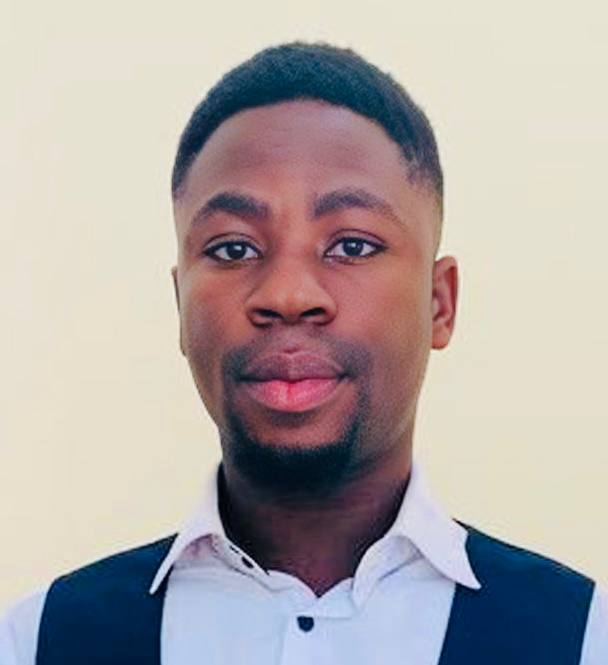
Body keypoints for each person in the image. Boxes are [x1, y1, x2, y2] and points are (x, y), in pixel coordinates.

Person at [1, 42, 606, 665]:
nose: (288, 296)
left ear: (439, 303)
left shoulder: (582, 639)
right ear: (181, 305)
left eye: (352, 246)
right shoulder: (39, 642)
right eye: (234, 249)